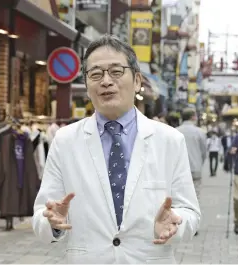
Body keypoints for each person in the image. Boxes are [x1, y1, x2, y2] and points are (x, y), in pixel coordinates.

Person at [32, 34, 201, 264]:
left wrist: (175, 222)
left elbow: (190, 212)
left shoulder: (170, 140)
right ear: (87, 84)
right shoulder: (65, 140)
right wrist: (51, 223)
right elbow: (42, 212)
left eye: (116, 71)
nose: (106, 81)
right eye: (96, 74)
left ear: (138, 81)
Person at [177, 108, 207, 197]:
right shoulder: (200, 132)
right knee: (195, 195)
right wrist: (200, 162)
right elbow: (204, 152)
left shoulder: (175, 131)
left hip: (179, 169)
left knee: (181, 195)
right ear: (193, 117)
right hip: (195, 168)